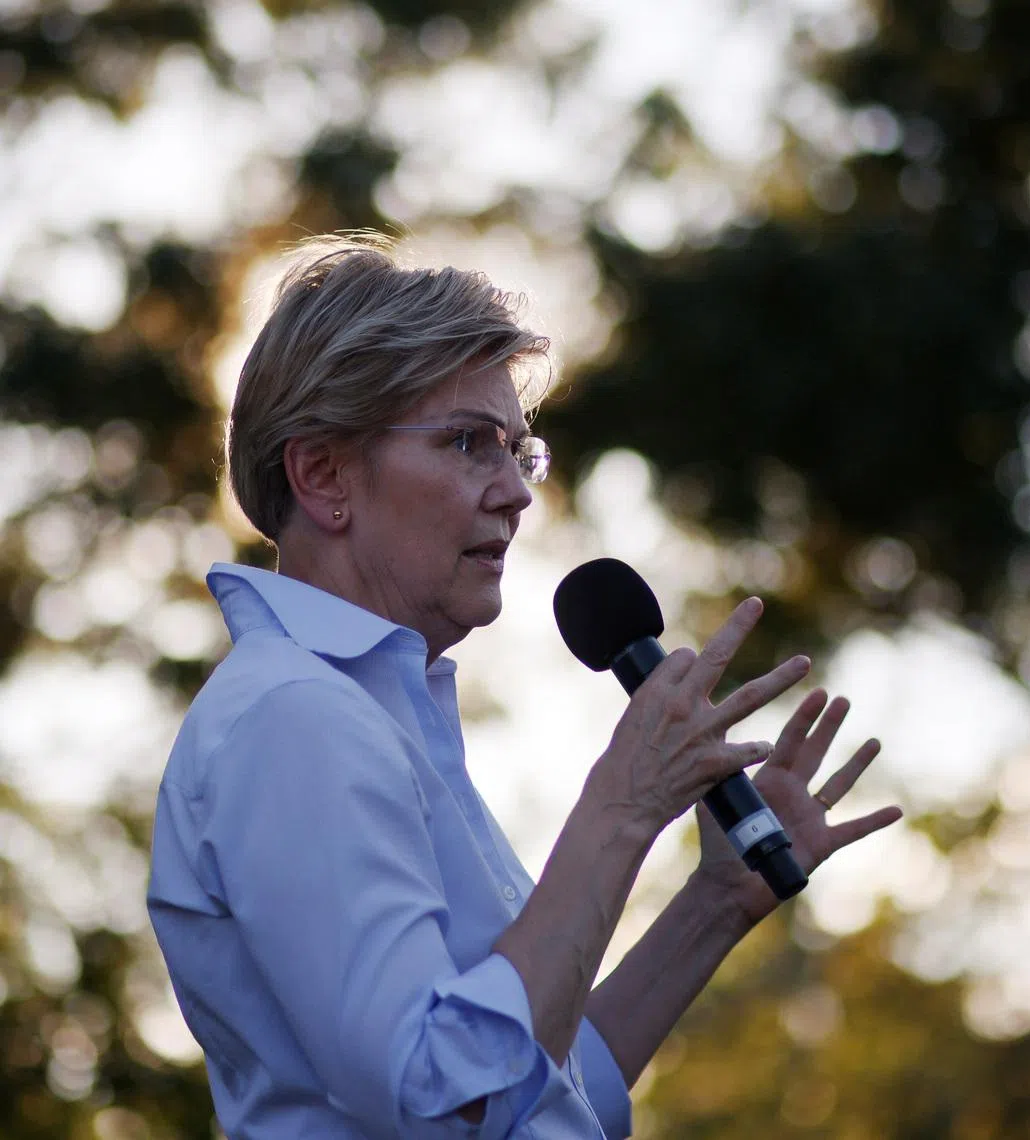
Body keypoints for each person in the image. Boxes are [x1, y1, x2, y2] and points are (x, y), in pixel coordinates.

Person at [147, 233, 903, 1140]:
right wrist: (621, 807)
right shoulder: (294, 718)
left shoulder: (373, 711)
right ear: (324, 475)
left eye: (517, 451)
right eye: (468, 443)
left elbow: (535, 1092)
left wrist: (718, 901)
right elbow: (442, 1099)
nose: (515, 492)